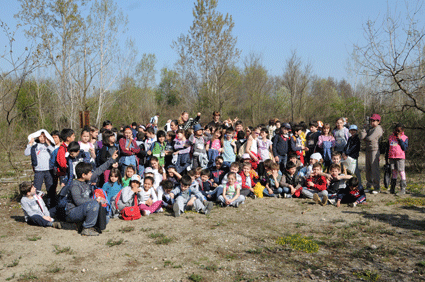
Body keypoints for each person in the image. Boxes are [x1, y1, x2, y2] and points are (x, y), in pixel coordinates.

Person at [66, 150, 118, 236]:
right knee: (94, 204)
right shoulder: (75, 185)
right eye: (90, 172)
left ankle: (81, 224)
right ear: (83, 175)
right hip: (73, 212)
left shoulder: (88, 179)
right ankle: (86, 228)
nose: (91, 174)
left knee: (105, 219)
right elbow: (78, 201)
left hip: (85, 209)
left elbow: (100, 170)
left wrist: (111, 159)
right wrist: (95, 200)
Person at [24, 130, 55, 196]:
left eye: (44, 136)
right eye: (40, 136)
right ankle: (36, 202)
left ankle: (51, 204)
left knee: (50, 188)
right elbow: (26, 153)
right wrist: (30, 143)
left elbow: (55, 153)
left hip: (49, 170)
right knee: (37, 189)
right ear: (37, 137)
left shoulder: (50, 145)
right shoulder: (35, 146)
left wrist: (49, 144)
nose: (42, 138)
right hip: (38, 170)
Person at [359, 114, 383, 194]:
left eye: (374, 121)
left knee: (374, 168)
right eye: (371, 120)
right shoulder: (370, 129)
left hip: (374, 150)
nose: (372, 122)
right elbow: (362, 136)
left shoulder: (378, 129)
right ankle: (369, 185)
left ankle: (377, 187)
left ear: (378, 121)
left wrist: (366, 137)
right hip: (368, 150)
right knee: (368, 169)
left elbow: (370, 138)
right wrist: (364, 128)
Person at [388, 123, 408, 195]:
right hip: (392, 157)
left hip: (400, 157)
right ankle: (392, 188)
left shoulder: (405, 138)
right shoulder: (391, 137)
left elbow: (404, 148)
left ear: (402, 130)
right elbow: (388, 147)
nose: (397, 132)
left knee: (401, 171)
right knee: (394, 172)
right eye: (396, 130)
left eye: (399, 131)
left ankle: (403, 189)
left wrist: (400, 140)